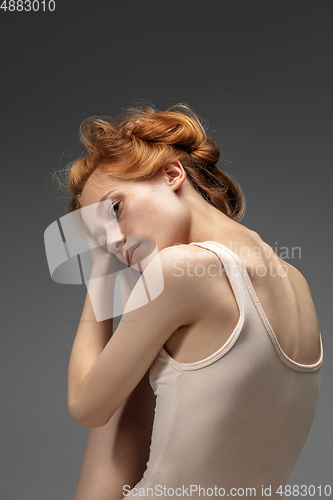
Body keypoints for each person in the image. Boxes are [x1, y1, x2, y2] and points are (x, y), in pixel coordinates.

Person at [60, 104, 323, 499]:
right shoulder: (296, 281)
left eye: (115, 209)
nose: (112, 241)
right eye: (99, 236)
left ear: (171, 173)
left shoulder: (177, 269)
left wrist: (100, 272)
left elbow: (87, 407)